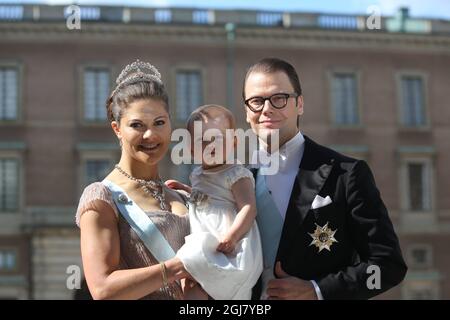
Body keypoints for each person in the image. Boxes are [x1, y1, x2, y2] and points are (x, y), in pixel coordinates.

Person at [242, 57, 408, 299]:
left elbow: (388, 266)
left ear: (299, 104)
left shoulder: (347, 174)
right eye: (256, 101)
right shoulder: (239, 179)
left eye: (279, 98)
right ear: (247, 112)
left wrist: (317, 290)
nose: (267, 109)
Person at [76, 60, 204, 300]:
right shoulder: (102, 197)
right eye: (137, 125)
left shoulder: (182, 195)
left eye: (159, 123)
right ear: (117, 129)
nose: (151, 135)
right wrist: (179, 267)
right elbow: (103, 289)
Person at [176, 105, 263, 300]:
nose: (211, 146)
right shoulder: (197, 174)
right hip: (206, 236)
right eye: (203, 141)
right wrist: (186, 191)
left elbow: (249, 208)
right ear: (190, 148)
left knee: (225, 287)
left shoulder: (236, 174)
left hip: (230, 243)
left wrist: (232, 236)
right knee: (191, 287)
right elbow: (208, 200)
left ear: (233, 143)